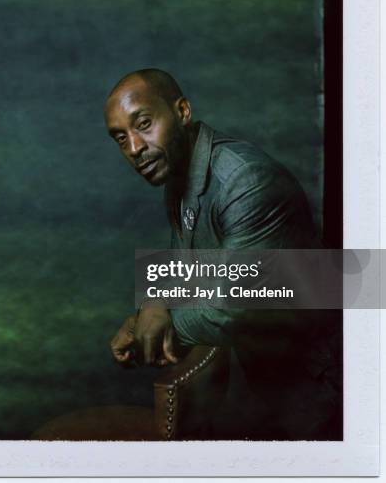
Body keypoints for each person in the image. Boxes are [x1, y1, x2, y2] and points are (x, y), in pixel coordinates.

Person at [104, 67, 341, 440]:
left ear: (182, 112)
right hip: (264, 382)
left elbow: (237, 304)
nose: (134, 148)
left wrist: (148, 335)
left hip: (326, 385)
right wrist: (153, 304)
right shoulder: (180, 171)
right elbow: (186, 265)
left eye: (144, 123)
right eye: (121, 138)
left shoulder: (246, 181)